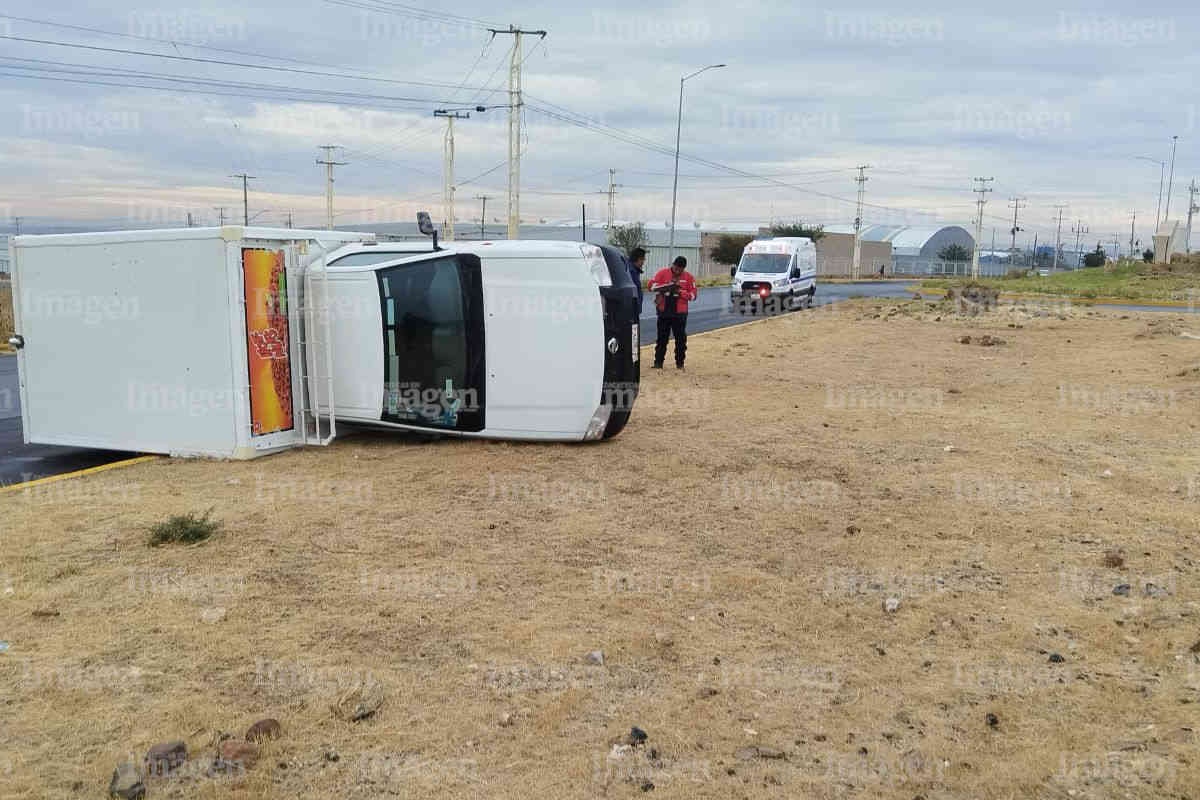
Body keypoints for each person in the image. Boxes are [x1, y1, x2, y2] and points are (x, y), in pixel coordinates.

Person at [648, 255, 698, 370]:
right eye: (675, 268)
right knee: (661, 339)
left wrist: (681, 293)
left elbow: (694, 295)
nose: (677, 271)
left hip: (680, 314)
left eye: (680, 270)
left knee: (681, 340)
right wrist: (663, 287)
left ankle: (680, 364)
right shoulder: (662, 273)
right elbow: (651, 285)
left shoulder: (689, 277)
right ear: (673, 265)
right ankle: (658, 363)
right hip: (664, 311)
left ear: (683, 269)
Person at [628, 246, 646, 315]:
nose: (643, 262)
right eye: (642, 260)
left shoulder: (634, 270)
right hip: (631, 310)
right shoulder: (631, 271)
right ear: (637, 259)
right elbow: (633, 291)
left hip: (633, 309)